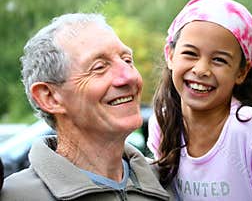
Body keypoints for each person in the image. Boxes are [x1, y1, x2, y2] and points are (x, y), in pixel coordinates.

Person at [147, 0, 252, 200]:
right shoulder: (163, 122)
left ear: (241, 72)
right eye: (190, 53)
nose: (201, 70)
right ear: (170, 55)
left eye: (219, 60)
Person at [0, 13, 170, 200]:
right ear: (49, 97)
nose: (129, 77)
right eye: (99, 67)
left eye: (127, 60)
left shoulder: (168, 183)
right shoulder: (15, 196)